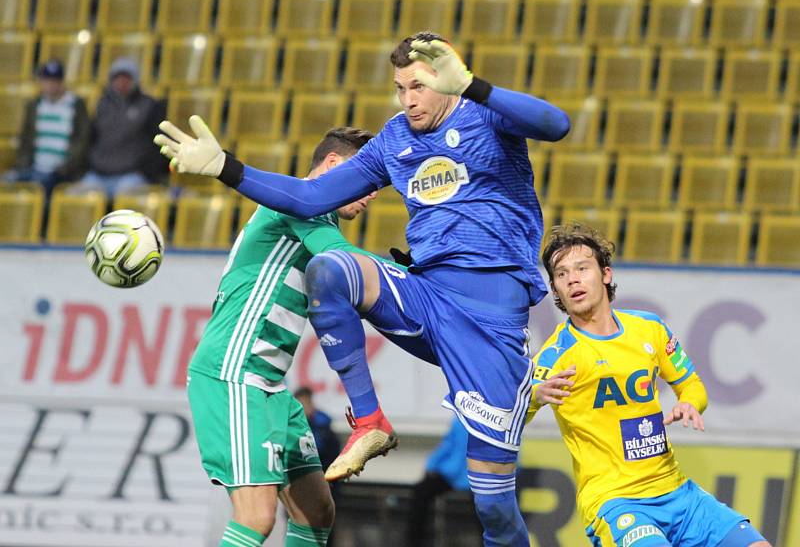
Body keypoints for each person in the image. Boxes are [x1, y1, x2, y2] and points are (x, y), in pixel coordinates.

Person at [155, 31, 571, 547]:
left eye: (418, 86)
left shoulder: (484, 113)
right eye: (400, 89)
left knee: (494, 507)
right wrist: (226, 167)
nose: (408, 99)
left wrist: (475, 86)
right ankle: (369, 420)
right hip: (428, 297)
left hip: (491, 321)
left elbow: (558, 125)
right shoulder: (395, 140)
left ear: (446, 80)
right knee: (331, 269)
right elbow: (309, 198)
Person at [186, 128, 378, 547]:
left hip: (269, 385)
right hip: (234, 374)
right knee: (256, 518)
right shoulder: (300, 200)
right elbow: (343, 260)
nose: (373, 194)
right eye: (368, 181)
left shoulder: (315, 211)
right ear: (332, 166)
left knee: (316, 511)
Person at [527, 222, 770, 547]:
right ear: (556, 290)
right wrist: (535, 395)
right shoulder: (557, 354)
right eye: (561, 274)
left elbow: (693, 386)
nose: (572, 279)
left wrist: (689, 403)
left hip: (677, 493)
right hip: (616, 503)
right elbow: (514, 409)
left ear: (606, 274)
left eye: (582, 268)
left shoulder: (649, 329)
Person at [75, 58, 166, 197]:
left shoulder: (149, 105)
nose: (122, 82)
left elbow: (158, 143)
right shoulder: (102, 105)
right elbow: (91, 138)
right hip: (98, 173)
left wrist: (147, 172)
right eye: (118, 78)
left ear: (135, 80)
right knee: (75, 197)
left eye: (127, 78)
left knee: (126, 200)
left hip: (131, 174)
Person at [6, 59, 90, 196]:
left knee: (42, 184)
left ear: (61, 82)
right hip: (34, 167)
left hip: (61, 171)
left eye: (55, 80)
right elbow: (26, 138)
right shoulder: (35, 105)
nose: (51, 85)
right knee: (7, 182)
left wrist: (65, 168)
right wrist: (22, 165)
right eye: (47, 80)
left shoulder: (75, 105)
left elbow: (82, 141)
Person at [406, 416, 479, 547]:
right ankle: (415, 542)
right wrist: (431, 465)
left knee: (486, 507)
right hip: (452, 475)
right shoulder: (460, 419)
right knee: (421, 490)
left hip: (481, 477)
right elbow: (448, 444)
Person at [293, 386, 341, 473]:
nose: (302, 409)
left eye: (305, 404)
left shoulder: (323, 429)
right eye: (299, 405)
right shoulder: (289, 426)